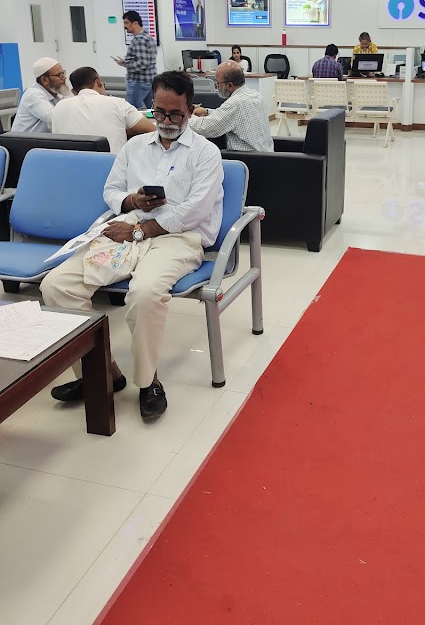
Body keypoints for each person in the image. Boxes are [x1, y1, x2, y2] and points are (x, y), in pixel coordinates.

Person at [44, 71, 224, 422]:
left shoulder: (206, 153)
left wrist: (142, 229)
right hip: (127, 229)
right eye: (159, 112)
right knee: (56, 286)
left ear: (191, 110)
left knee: (144, 293)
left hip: (178, 238)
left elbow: (196, 209)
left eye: (176, 114)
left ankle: (147, 381)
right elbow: (111, 190)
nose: (166, 121)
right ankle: (103, 375)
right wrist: (131, 200)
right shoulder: (134, 146)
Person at [52, 66, 155, 152]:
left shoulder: (59, 107)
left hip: (70, 167)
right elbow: (152, 130)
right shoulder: (117, 104)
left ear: (74, 92)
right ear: (98, 82)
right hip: (112, 167)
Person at [190, 62, 274, 152]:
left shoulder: (234, 103)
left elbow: (204, 128)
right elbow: (234, 116)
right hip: (266, 155)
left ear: (229, 85)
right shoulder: (256, 95)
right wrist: (207, 111)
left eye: (217, 83)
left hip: (246, 158)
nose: (217, 87)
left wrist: (186, 116)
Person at [11, 57, 67, 133]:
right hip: (25, 140)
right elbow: (53, 118)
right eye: (59, 75)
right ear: (44, 80)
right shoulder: (33, 94)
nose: (64, 78)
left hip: (43, 139)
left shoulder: (56, 92)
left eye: (63, 73)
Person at [115, 11, 157, 110]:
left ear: (135, 23)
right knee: (151, 110)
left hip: (138, 82)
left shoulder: (140, 40)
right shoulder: (148, 37)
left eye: (126, 23)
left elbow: (142, 63)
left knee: (132, 111)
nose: (125, 26)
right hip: (148, 80)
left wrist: (125, 63)